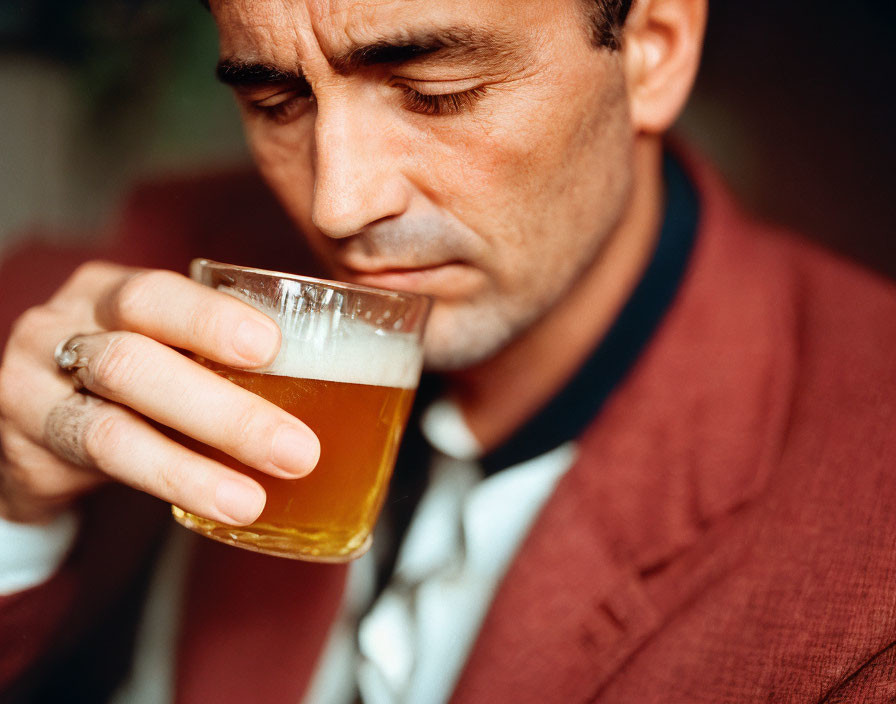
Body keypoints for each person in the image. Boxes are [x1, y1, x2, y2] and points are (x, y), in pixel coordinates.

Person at [1, 0, 894, 701]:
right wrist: (16, 526)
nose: (337, 206)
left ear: (654, 49)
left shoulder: (868, 561)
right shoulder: (141, 260)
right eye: (275, 101)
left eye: (438, 91)